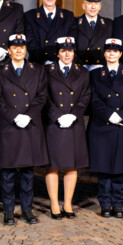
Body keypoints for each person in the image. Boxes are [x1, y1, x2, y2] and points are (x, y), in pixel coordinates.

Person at [0, 33, 48, 225]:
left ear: (26, 50)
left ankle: (27, 209)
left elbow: (41, 96)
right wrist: (15, 116)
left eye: (22, 47)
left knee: (27, 172)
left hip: (30, 124)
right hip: (10, 124)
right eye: (14, 47)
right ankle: (8, 211)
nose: (18, 50)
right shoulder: (0, 71)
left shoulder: (38, 70)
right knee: (8, 173)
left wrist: (28, 115)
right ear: (8, 50)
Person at [87, 38, 123, 218]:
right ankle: (104, 203)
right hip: (102, 124)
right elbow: (93, 98)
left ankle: (118, 203)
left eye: (115, 51)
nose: (111, 54)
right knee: (103, 167)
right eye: (108, 51)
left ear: (120, 54)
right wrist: (108, 114)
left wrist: (122, 115)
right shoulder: (95, 75)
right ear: (104, 53)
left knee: (121, 167)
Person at [43, 37, 90, 219]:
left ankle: (68, 204)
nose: (67, 54)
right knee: (53, 165)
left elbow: (86, 96)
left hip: (73, 122)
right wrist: (57, 115)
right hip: (54, 122)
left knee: (72, 165)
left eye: (70, 51)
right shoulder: (47, 71)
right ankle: (55, 204)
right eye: (63, 51)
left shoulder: (83, 72)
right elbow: (44, 96)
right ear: (57, 53)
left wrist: (74, 114)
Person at [25, 0, 77, 66]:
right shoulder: (30, 16)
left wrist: (56, 60)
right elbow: (31, 44)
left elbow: (71, 42)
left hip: (60, 65)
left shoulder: (68, 16)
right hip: (38, 65)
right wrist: (46, 60)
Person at [75, 0, 113, 70]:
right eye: (89, 3)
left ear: (100, 6)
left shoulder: (109, 24)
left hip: (101, 69)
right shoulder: (74, 23)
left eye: (96, 3)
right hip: (80, 69)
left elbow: (112, 49)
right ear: (83, 6)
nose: (93, 7)